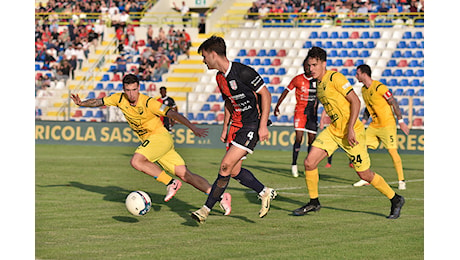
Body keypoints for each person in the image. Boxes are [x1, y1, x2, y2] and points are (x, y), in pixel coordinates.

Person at [70, 74, 231, 213]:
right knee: (185, 175)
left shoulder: (148, 102)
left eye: (134, 89)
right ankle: (221, 195)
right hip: (156, 144)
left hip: (160, 137)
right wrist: (81, 103)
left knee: (136, 161)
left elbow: (172, 113)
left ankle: (170, 183)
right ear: (124, 90)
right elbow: (99, 102)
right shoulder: (118, 98)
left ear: (138, 88)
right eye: (128, 90)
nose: (131, 94)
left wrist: (192, 127)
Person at [292, 47, 405, 219]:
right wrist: (324, 118)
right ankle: (314, 202)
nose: (311, 68)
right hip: (334, 131)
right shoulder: (319, 84)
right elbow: (331, 105)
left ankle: (395, 199)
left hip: (352, 133)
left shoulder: (335, 77)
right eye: (309, 65)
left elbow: (356, 101)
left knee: (365, 174)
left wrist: (351, 128)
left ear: (323, 63)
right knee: (309, 163)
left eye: (314, 65)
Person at [191, 36, 277, 224]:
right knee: (234, 170)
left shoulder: (243, 72)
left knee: (225, 166)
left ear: (214, 55)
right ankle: (265, 192)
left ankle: (205, 210)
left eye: (205, 56)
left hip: (252, 124)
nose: (203, 60)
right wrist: (224, 127)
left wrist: (262, 126)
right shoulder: (220, 78)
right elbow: (229, 102)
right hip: (237, 126)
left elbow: (266, 94)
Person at [273, 57, 333, 177]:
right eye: (306, 66)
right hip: (300, 113)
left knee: (312, 141)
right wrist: (277, 106)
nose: (308, 68)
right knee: (299, 138)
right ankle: (294, 164)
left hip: (312, 115)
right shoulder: (298, 79)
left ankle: (309, 165)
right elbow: (286, 91)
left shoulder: (317, 80)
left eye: (310, 66)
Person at [353, 64, 409, 190]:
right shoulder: (363, 90)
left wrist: (401, 121)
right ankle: (365, 177)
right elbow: (368, 107)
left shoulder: (379, 87)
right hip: (374, 125)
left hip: (387, 125)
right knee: (360, 147)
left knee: (392, 152)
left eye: (357, 73)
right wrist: (363, 121)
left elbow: (393, 102)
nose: (356, 76)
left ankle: (401, 180)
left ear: (364, 74)